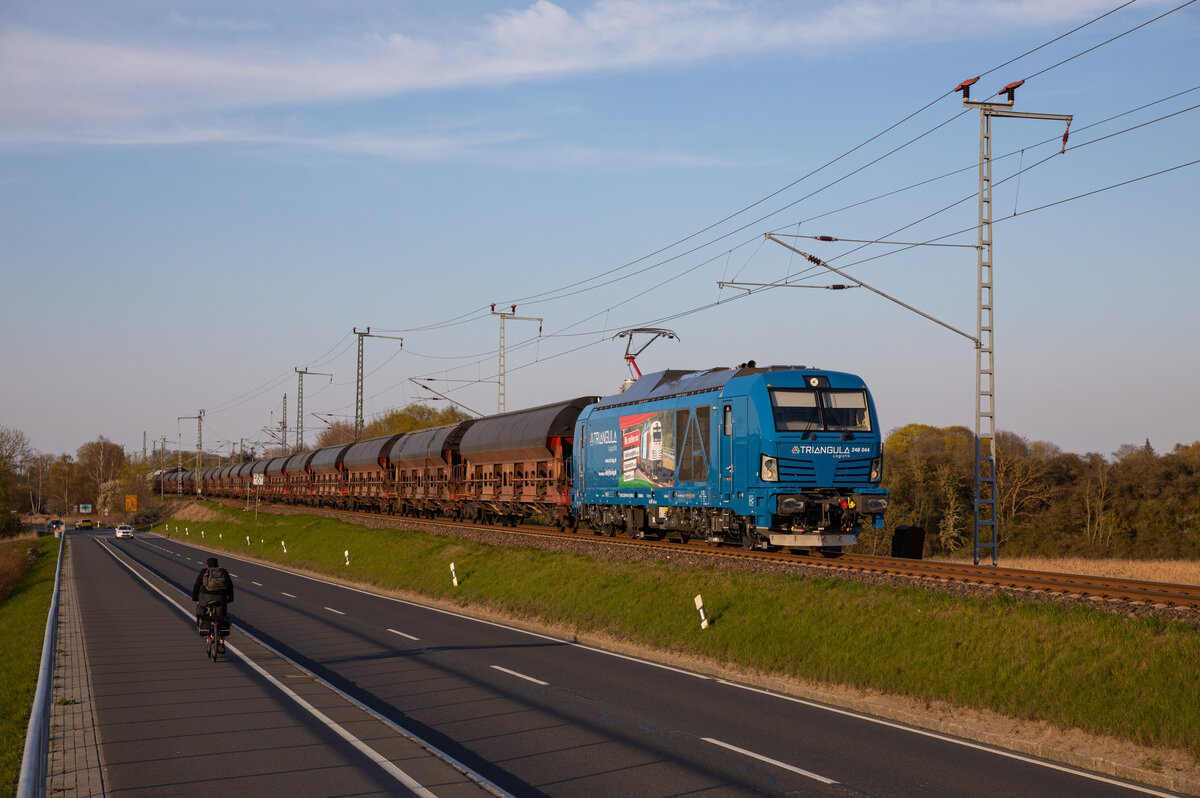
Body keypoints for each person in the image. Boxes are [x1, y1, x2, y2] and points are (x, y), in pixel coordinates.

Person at [192, 556, 234, 636]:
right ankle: (221, 640)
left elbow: (196, 585)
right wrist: (230, 598)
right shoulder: (223, 571)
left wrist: (194, 598)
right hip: (221, 598)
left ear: (207, 565)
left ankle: (201, 627)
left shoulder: (204, 571)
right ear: (217, 565)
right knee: (222, 616)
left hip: (206, 597)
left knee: (200, 609)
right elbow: (230, 586)